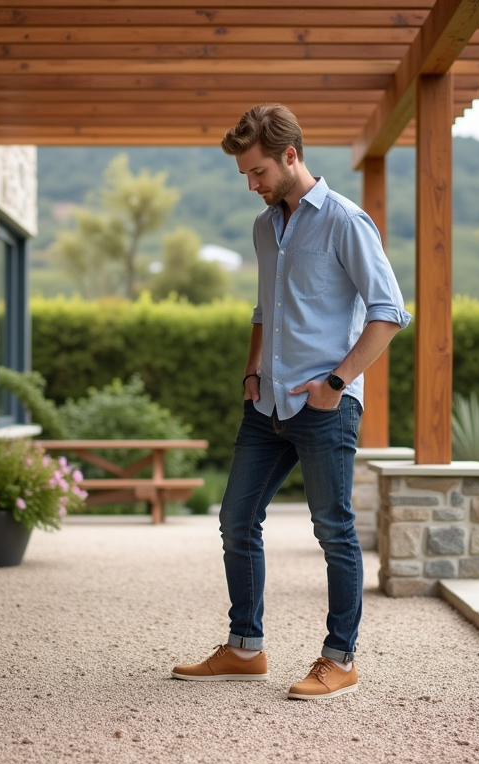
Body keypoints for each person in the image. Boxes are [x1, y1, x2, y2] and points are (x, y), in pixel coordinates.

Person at [172, 105, 413, 700]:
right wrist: (252, 370)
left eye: (257, 173)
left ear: (290, 156)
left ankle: (340, 658)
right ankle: (244, 648)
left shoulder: (345, 222)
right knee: (235, 520)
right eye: (245, 176)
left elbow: (389, 313)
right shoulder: (264, 227)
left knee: (333, 531)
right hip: (266, 405)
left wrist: (336, 383)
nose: (251, 185)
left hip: (324, 405)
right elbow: (265, 308)